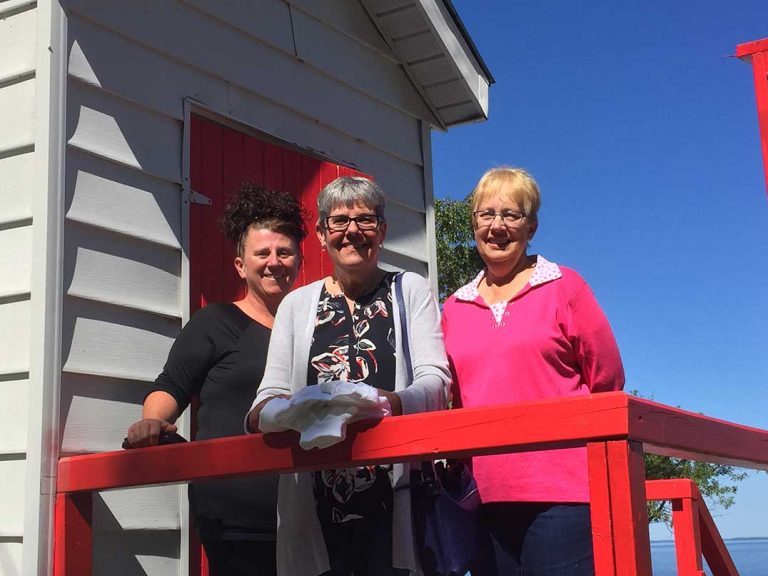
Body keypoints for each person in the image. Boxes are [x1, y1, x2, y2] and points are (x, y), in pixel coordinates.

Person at [245, 176, 451, 576]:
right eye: (338, 222)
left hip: (397, 505)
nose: (352, 232)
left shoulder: (409, 290)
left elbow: (435, 381)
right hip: (317, 507)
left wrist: (387, 403)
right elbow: (266, 398)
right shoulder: (296, 305)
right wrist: (284, 413)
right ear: (322, 234)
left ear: (383, 231)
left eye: (365, 220)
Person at [441, 167, 625, 575]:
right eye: (486, 214)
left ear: (532, 227)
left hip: (563, 491)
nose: (497, 226)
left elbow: (607, 379)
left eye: (511, 215)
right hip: (483, 492)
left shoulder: (565, 287)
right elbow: (450, 395)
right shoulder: (455, 306)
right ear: (474, 224)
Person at [125, 184, 308, 576]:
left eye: (284, 252)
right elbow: (169, 387)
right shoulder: (216, 323)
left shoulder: (314, 331)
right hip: (236, 521)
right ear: (241, 265)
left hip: (308, 515)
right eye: (262, 253)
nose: (274, 262)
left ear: (299, 261)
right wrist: (152, 423)